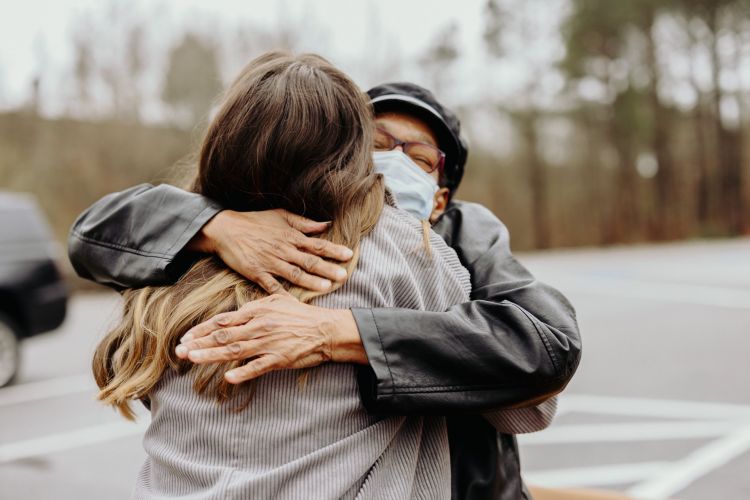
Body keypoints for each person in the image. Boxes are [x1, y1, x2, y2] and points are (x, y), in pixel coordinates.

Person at [69, 79, 581, 498]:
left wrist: (338, 331)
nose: (394, 163)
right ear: (346, 154)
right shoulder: (256, 226)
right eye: (378, 145)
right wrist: (217, 226)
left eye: (419, 158)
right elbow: (94, 233)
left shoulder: (452, 242)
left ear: (442, 196)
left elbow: (542, 348)